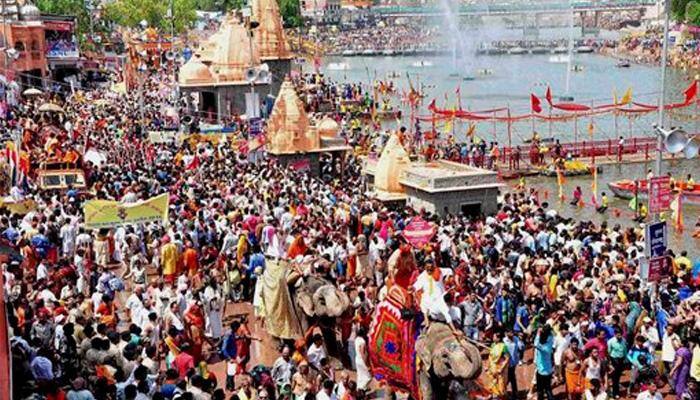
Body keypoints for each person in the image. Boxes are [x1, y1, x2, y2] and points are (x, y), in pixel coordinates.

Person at [486, 330, 510, 399]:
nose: (493, 337)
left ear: (498, 338)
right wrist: (488, 366)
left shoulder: (503, 347)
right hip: (492, 368)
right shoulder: (493, 345)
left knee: (500, 384)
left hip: (500, 369)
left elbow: (507, 358)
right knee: (492, 383)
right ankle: (494, 396)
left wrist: (501, 368)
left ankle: (500, 396)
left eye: (494, 336)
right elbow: (490, 356)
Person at [534, 326, 555, 400]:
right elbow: (551, 334)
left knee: (540, 390)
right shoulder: (550, 341)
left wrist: (538, 333)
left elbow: (535, 343)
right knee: (548, 388)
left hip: (541, 371)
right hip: (549, 370)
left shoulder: (542, 347)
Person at [607, 329, 628, 399]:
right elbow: (609, 352)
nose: (619, 336)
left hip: (621, 360)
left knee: (618, 377)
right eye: (618, 335)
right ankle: (614, 393)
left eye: (620, 334)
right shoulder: (610, 341)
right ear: (615, 334)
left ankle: (615, 391)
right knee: (614, 377)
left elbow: (625, 350)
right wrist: (610, 362)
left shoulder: (623, 340)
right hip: (614, 360)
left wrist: (625, 359)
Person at [504, 330, 523, 400]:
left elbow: (521, 347)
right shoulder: (504, 341)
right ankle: (513, 393)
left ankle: (510, 393)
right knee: (510, 378)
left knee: (510, 377)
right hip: (506, 364)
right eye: (510, 332)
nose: (511, 334)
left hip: (513, 363)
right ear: (506, 333)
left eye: (512, 332)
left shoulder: (516, 339)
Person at [354, 327, 371, 391]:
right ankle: (362, 388)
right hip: (361, 360)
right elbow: (363, 353)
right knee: (369, 377)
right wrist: (367, 365)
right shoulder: (362, 341)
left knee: (360, 375)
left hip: (357, 359)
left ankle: (359, 387)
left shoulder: (356, 339)